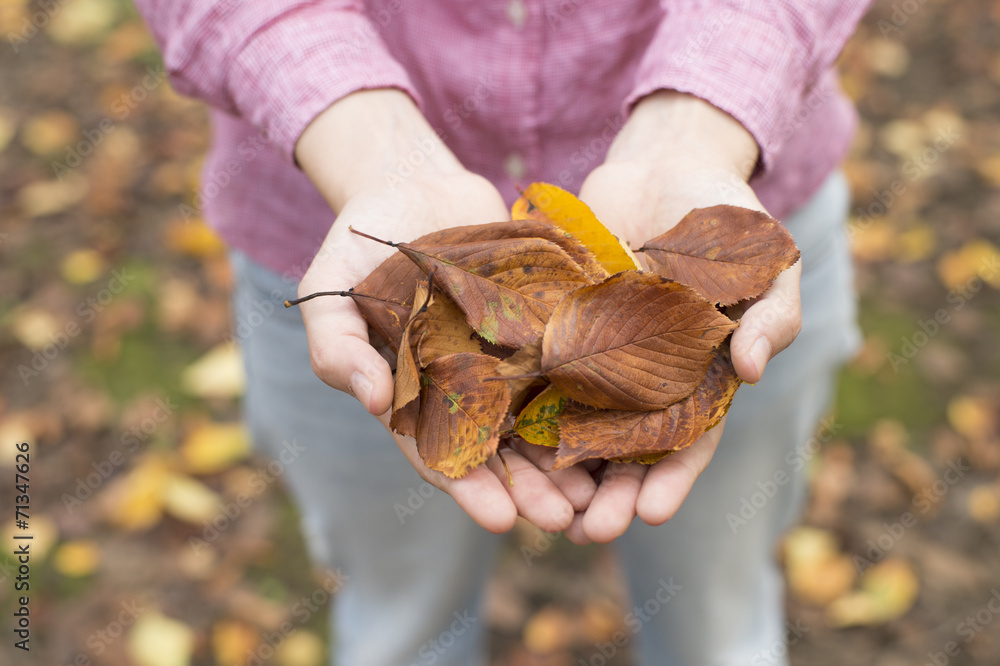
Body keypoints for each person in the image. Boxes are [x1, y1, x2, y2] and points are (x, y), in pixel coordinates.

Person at [135, 1, 871, 664]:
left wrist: (700, 123)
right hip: (343, 243)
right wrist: (364, 142)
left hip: (730, 194)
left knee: (716, 608)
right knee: (402, 620)